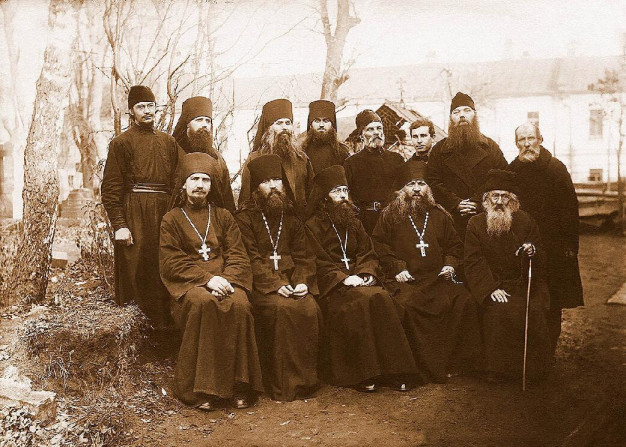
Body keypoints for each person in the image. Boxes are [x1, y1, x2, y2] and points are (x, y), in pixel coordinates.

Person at [159, 152, 263, 410]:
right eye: (194, 179)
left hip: (226, 280)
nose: (200, 185)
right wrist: (207, 279)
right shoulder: (171, 219)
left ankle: (239, 386)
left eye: (205, 180)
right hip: (190, 284)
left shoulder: (223, 216)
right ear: (184, 184)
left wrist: (227, 280)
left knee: (240, 303)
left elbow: (238, 254)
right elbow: (172, 261)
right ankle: (201, 391)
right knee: (203, 303)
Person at [306, 165, 418, 392]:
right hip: (334, 288)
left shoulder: (354, 222)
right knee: (360, 303)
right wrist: (342, 278)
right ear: (324, 197)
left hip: (360, 280)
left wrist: (366, 272)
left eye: (345, 191)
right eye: (336, 191)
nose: (343, 197)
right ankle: (364, 374)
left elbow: (368, 252)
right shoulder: (312, 226)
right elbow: (315, 260)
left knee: (381, 298)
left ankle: (396, 371)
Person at [372, 161, 482, 384]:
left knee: (464, 301)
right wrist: (397, 268)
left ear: (428, 189)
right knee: (408, 305)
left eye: (421, 184)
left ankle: (456, 363)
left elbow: (455, 245)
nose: (416, 189)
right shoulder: (390, 215)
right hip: (407, 280)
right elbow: (379, 245)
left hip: (437, 278)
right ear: (402, 189)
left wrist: (450, 264)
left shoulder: (440, 215)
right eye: (411, 184)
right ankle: (418, 366)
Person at [235, 154, 322, 401]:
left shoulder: (292, 218)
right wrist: (275, 284)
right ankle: (283, 384)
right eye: (266, 182)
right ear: (255, 188)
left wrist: (302, 281)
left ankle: (306, 381)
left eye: (277, 180)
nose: (273, 186)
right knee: (282, 310)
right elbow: (249, 258)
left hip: (293, 282)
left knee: (309, 307)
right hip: (262, 285)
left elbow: (304, 256)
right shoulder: (244, 219)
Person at [101, 85, 184, 327]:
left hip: (164, 212)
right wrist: (120, 225)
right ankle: (140, 333)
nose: (147, 111)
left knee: (165, 266)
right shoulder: (121, 143)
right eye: (141, 107)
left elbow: (179, 178)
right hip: (134, 213)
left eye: (150, 106)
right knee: (136, 271)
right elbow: (110, 189)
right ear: (131, 111)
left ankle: (167, 331)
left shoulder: (168, 142)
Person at [464, 169, 552, 382]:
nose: (499, 201)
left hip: (523, 283)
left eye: (505, 196)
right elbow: (473, 261)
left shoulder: (526, 221)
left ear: (512, 200)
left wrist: (532, 251)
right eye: (495, 196)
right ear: (486, 199)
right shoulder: (475, 223)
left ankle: (532, 370)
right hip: (493, 283)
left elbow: (541, 252)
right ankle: (498, 370)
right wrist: (490, 288)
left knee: (533, 309)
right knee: (499, 310)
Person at [508, 122, 583, 354]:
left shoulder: (555, 168)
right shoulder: (513, 170)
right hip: (523, 245)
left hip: (553, 247)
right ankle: (528, 352)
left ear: (540, 140)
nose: (527, 144)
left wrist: (570, 245)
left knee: (552, 301)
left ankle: (548, 352)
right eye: (522, 140)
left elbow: (570, 209)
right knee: (524, 299)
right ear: (516, 144)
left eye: (531, 138)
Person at [427, 92, 508, 239]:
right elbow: (433, 181)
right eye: (456, 112)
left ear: (474, 115)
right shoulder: (439, 150)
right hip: (450, 220)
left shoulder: (490, 147)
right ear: (451, 118)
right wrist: (456, 203)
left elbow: (500, 178)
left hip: (485, 219)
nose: (462, 115)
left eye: (467, 110)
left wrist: (477, 201)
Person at [238, 98, 315, 217]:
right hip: (264, 223)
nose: (284, 127)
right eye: (279, 123)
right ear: (269, 129)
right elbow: (245, 201)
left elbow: (312, 197)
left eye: (288, 123)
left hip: (298, 222)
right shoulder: (254, 159)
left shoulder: (302, 159)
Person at [344, 109, 405, 234]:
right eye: (370, 129)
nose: (376, 132)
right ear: (361, 134)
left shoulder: (396, 159)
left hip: (392, 220)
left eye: (379, 128)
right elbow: (348, 196)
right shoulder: (351, 163)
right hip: (364, 222)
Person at [171, 96, 236, 213]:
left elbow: (226, 197)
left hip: (212, 218)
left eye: (208, 121)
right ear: (187, 124)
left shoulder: (217, 158)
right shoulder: (173, 152)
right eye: (199, 120)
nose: (204, 125)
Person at [300, 100, 350, 174]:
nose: (321, 125)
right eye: (317, 121)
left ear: (332, 125)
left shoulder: (342, 152)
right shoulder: (302, 152)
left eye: (326, 121)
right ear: (310, 125)